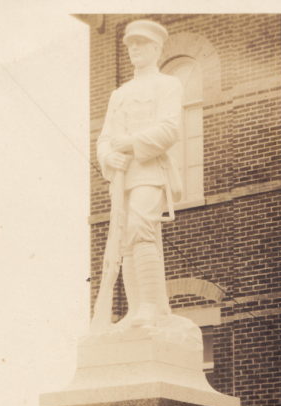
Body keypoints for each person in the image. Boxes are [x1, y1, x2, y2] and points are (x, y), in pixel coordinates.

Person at [96, 19, 182, 328]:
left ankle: (150, 306)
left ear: (157, 48)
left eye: (141, 43)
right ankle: (137, 310)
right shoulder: (119, 94)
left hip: (149, 170)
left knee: (141, 227)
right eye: (131, 43)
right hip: (122, 177)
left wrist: (130, 144)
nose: (134, 48)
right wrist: (108, 156)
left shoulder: (168, 85)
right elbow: (104, 138)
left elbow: (170, 129)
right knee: (124, 240)